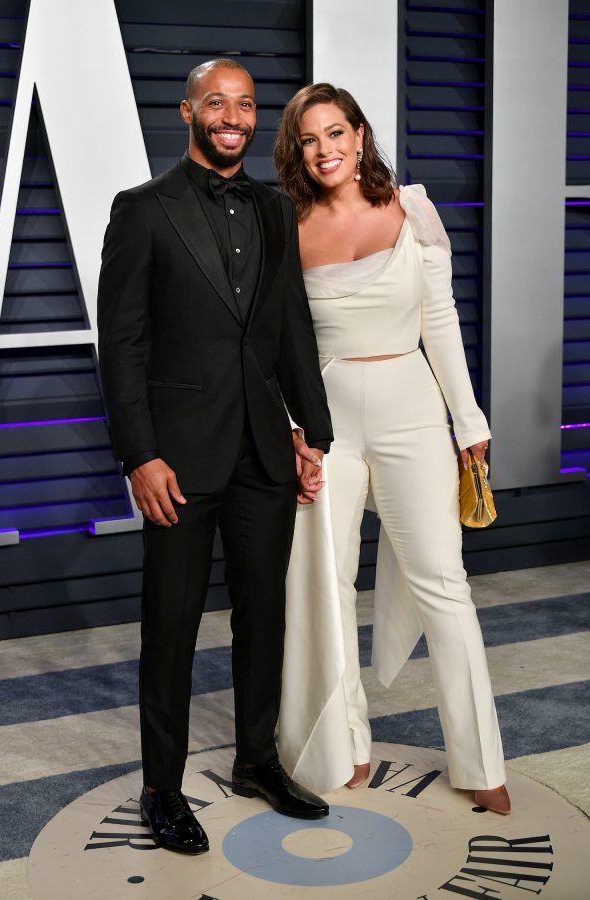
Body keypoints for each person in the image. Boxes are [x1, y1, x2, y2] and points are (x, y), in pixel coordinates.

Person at [97, 60, 334, 855]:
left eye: (244, 105)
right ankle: (161, 789)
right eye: (216, 103)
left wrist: (313, 433)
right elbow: (122, 346)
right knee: (170, 627)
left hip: (265, 452)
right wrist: (140, 456)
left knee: (263, 619)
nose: (231, 116)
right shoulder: (142, 211)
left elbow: (291, 326)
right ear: (188, 111)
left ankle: (257, 760)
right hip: (178, 462)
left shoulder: (275, 208)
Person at [274, 83, 510, 816]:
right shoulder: (284, 224)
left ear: (360, 134)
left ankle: (480, 763)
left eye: (336, 132)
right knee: (326, 584)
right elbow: (277, 342)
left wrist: (469, 426)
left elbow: (439, 321)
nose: (325, 150)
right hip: (326, 420)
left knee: (445, 583)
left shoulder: (412, 209)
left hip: (414, 411)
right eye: (309, 139)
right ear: (296, 150)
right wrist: (291, 429)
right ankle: (343, 745)